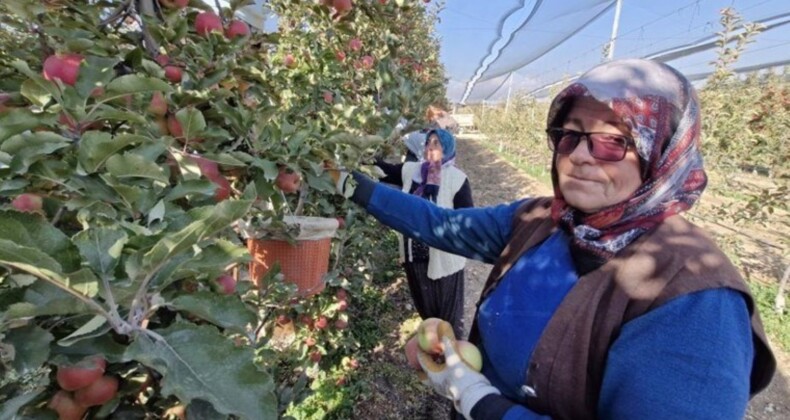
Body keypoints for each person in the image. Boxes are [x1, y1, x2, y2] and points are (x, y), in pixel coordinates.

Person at [333, 58, 776, 419]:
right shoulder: (542, 220)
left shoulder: (696, 303)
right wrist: (349, 184)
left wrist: (477, 398)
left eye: (611, 140)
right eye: (569, 135)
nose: (581, 155)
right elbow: (440, 225)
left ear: (660, 151)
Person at [375, 128, 473, 338]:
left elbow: (468, 220)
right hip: (414, 256)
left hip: (445, 259)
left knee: (448, 318)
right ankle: (434, 355)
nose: (431, 147)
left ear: (447, 148)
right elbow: (384, 170)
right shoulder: (412, 171)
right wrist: (363, 156)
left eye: (437, 143)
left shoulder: (457, 179)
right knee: (427, 312)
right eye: (429, 142)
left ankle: (454, 359)